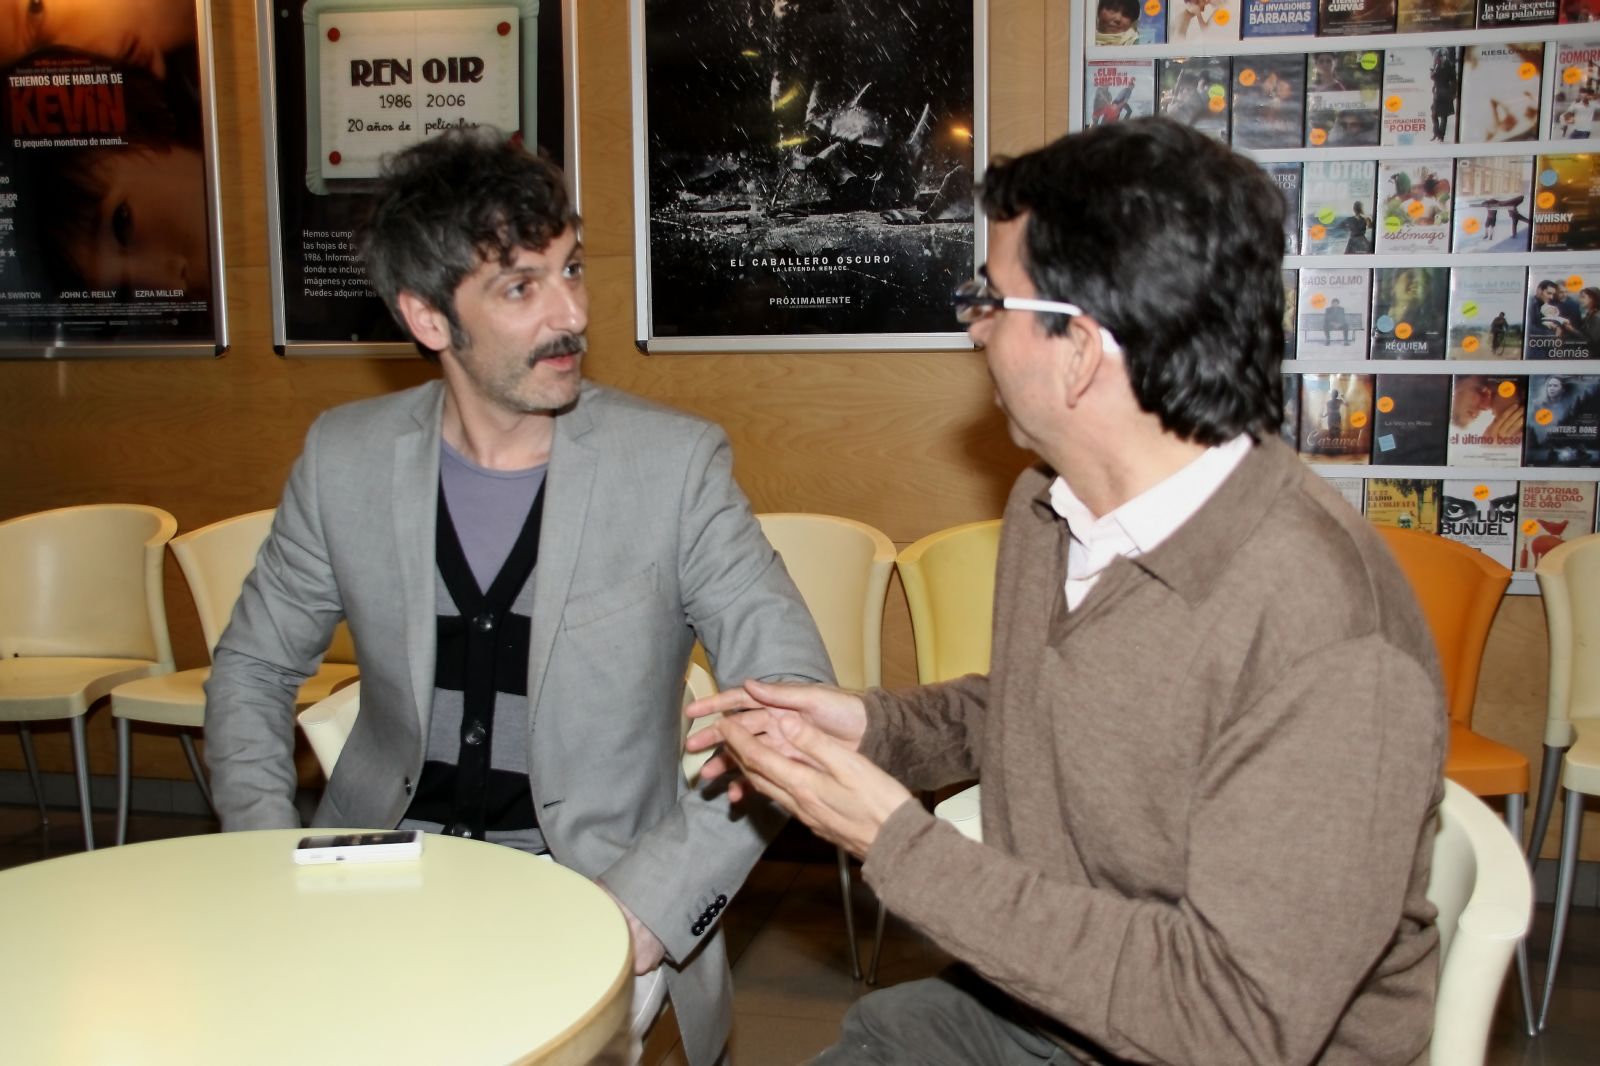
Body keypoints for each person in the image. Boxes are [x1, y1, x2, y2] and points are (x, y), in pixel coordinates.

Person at [687, 118, 1446, 1065]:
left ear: (1079, 349)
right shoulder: (1053, 507)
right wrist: (870, 727)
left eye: (990, 299)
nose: (972, 327)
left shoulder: (1329, 636)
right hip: (1056, 1009)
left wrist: (894, 841)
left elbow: (1234, 1022)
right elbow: (1043, 709)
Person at [203, 129, 833, 1066]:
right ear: (427, 318)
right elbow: (252, 669)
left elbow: (791, 700)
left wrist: (647, 911)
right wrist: (269, 857)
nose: (570, 313)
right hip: (375, 883)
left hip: (594, 891)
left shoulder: (674, 467)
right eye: (519, 287)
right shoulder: (344, 459)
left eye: (571, 269)